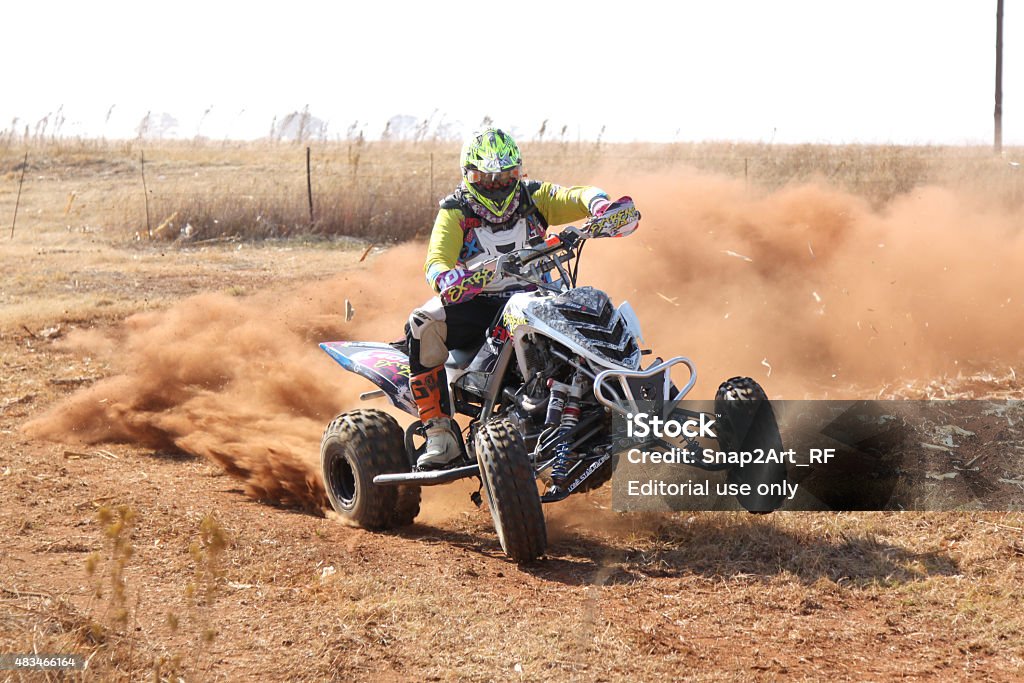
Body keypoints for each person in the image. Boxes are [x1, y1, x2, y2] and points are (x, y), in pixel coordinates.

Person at [405, 127, 637, 469]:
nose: (497, 187)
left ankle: (631, 394)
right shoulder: (455, 211)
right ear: (469, 176)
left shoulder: (533, 196)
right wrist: (446, 276)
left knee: (598, 307)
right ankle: (440, 433)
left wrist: (600, 205)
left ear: (518, 173)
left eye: (506, 178)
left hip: (537, 297)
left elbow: (576, 196)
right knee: (421, 322)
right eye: (487, 179)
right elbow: (436, 260)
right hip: (476, 301)